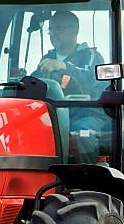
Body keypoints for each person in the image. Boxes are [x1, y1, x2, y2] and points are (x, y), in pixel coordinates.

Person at [35, 11, 111, 162]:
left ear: (75, 30)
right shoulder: (47, 59)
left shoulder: (91, 57)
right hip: (55, 115)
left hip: (88, 114)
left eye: (59, 28)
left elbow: (90, 83)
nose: (53, 34)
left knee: (81, 135)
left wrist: (64, 67)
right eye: (51, 29)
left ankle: (85, 180)